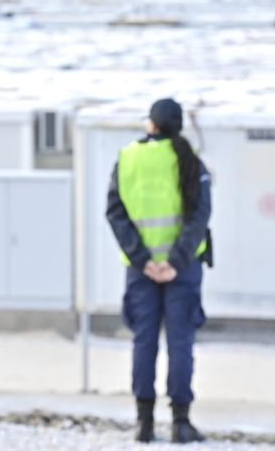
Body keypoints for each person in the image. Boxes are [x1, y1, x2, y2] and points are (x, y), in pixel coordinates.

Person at [105, 98, 212, 444]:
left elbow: (115, 213)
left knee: (144, 342)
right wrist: (175, 261)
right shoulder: (190, 160)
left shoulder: (127, 158)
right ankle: (181, 423)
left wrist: (143, 260)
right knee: (180, 343)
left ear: (151, 124)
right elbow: (200, 216)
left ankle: (144, 423)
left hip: (142, 271)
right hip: (182, 269)